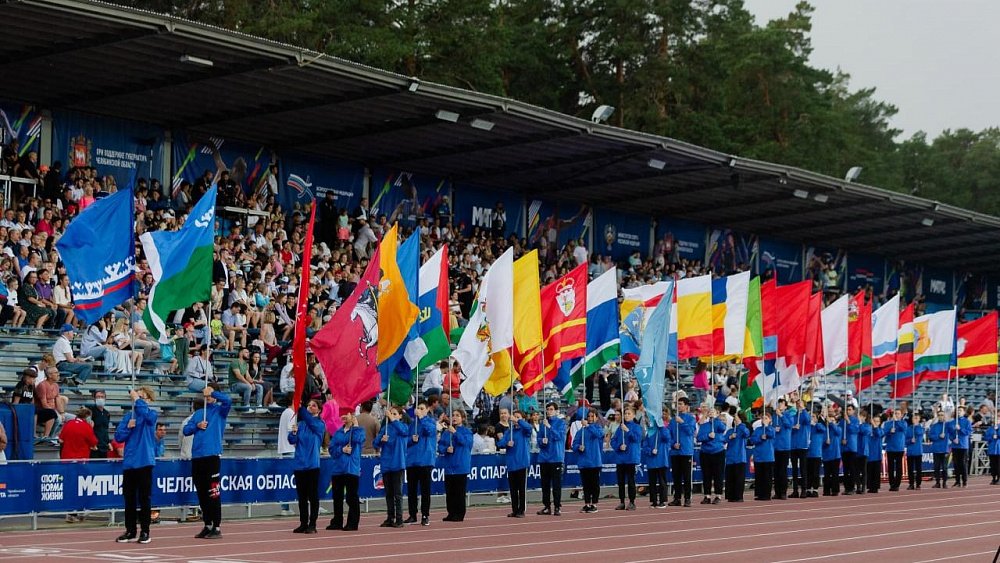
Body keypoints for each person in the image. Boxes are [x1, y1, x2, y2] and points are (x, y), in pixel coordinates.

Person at [183, 384, 232, 539]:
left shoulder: (220, 410)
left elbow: (228, 401)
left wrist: (214, 392)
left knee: (213, 493)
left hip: (212, 456)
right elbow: (186, 430)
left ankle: (217, 526)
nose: (209, 396)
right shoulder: (198, 413)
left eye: (211, 393)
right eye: (207, 392)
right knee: (201, 493)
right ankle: (207, 524)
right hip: (197, 457)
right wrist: (197, 426)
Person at [115, 387, 158, 544]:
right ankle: (130, 530)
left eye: (142, 397)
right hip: (130, 463)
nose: (137, 400)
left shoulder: (151, 414)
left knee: (144, 498)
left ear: (148, 400)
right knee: (129, 498)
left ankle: (145, 531)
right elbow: (118, 437)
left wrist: (137, 399)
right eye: (137, 397)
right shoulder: (129, 417)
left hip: (144, 461)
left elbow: (148, 417)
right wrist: (128, 427)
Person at [288, 398, 325, 533]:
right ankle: (303, 523)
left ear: (319, 410)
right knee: (302, 497)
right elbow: (292, 440)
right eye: (309, 405)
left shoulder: (319, 424)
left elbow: (311, 422)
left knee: (313, 496)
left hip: (312, 465)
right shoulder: (301, 424)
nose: (310, 407)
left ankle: (312, 524)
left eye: (313, 405)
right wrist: (293, 433)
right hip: (299, 465)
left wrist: (301, 408)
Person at [327, 407, 365, 531]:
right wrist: (342, 449)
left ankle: (352, 523)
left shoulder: (359, 431)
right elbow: (331, 449)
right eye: (341, 414)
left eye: (346, 414)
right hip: (338, 468)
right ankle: (337, 521)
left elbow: (358, 440)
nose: (343, 416)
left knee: (351, 497)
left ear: (352, 415)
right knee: (337, 497)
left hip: (351, 468)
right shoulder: (338, 432)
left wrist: (356, 426)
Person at [374, 405, 407, 528]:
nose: (391, 416)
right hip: (386, 464)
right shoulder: (385, 428)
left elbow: (404, 432)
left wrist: (393, 420)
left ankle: (399, 518)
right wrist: (381, 440)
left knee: (397, 494)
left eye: (394, 414)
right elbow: (375, 443)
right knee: (388, 494)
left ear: (400, 416)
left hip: (397, 463)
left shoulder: (403, 426)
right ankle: (390, 517)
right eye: (391, 413)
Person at [404, 400, 436, 526]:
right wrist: (411, 440)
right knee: (411, 490)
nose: (419, 410)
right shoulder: (412, 424)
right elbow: (405, 441)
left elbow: (430, 431)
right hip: (412, 461)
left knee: (425, 490)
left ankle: (425, 514)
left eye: (422, 408)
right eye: (418, 408)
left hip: (425, 460)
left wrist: (422, 418)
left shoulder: (430, 422)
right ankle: (412, 514)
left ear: (427, 410)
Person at [496, 408, 532, 518]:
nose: (515, 419)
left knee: (521, 489)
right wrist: (507, 443)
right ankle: (515, 509)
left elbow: (529, 428)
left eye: (518, 417)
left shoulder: (524, 431)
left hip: (522, 462)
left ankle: (522, 510)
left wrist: (518, 421)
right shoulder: (509, 432)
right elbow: (500, 443)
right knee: (513, 489)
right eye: (514, 417)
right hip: (511, 463)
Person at [438, 409, 473, 522]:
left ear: (462, 418)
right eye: (453, 415)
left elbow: (466, 443)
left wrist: (455, 433)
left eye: (457, 415)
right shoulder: (446, 432)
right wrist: (446, 449)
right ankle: (451, 512)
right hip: (449, 466)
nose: (454, 417)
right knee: (450, 492)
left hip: (460, 466)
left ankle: (459, 513)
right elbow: (440, 446)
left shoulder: (467, 431)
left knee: (459, 492)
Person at [536, 402, 567, 516]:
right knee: (545, 484)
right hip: (544, 458)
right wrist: (542, 441)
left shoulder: (561, 423)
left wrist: (549, 427)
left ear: (556, 411)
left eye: (551, 409)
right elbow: (539, 439)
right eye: (548, 409)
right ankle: (546, 506)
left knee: (556, 484)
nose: (549, 411)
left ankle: (557, 506)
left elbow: (559, 436)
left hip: (556, 457)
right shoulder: (542, 424)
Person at [572, 407, 603, 513]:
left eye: (592, 416)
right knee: (586, 485)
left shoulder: (598, 428)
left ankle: (594, 503)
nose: (590, 418)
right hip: (584, 461)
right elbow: (574, 444)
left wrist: (588, 426)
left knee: (594, 484)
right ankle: (587, 503)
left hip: (594, 461)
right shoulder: (581, 431)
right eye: (588, 416)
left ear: (596, 418)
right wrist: (578, 447)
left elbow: (599, 435)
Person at [611, 406, 641, 511]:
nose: (626, 416)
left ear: (633, 415)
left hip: (631, 458)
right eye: (625, 414)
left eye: (629, 414)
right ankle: (622, 501)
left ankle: (632, 502)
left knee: (631, 481)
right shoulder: (620, 428)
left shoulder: (636, 427)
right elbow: (613, 440)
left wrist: (628, 431)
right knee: (621, 482)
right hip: (620, 458)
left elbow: (637, 439)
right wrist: (619, 446)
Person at [668, 397, 696, 507]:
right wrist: (673, 444)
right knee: (676, 476)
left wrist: (682, 422)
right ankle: (677, 498)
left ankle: (687, 498)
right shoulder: (673, 420)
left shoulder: (691, 418)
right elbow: (669, 435)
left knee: (687, 476)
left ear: (686, 406)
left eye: (680, 404)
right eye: (677, 404)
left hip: (686, 452)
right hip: (675, 452)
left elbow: (691, 432)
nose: (678, 406)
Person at [642, 408, 672, 508]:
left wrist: (661, 426)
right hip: (651, 461)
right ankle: (654, 500)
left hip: (661, 460)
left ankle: (662, 500)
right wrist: (650, 451)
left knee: (662, 482)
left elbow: (667, 438)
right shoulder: (649, 433)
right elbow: (645, 446)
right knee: (652, 482)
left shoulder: (663, 430)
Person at [697, 406, 727, 505]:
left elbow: (723, 428)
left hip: (718, 451)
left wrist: (716, 419)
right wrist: (708, 436)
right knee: (706, 475)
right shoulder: (704, 425)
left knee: (718, 474)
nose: (711, 413)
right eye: (710, 412)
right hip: (705, 452)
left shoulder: (719, 423)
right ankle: (707, 495)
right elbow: (699, 438)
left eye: (713, 412)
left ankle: (718, 495)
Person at [53, 323, 92, 389]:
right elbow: (70, 359)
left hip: (63, 364)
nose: (73, 333)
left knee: (86, 365)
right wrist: (80, 360)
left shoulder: (62, 341)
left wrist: (79, 360)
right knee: (88, 366)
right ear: (67, 332)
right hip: (63, 365)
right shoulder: (63, 342)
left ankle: (73, 382)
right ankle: (74, 382)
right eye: (72, 331)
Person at [724, 411, 750, 502]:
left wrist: (740, 424)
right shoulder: (730, 431)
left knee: (739, 478)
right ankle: (730, 496)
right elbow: (724, 440)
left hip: (740, 457)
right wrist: (730, 437)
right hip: (730, 457)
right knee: (730, 478)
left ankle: (739, 496)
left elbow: (747, 433)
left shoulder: (742, 430)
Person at [750, 411, 776, 501]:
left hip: (768, 456)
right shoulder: (758, 430)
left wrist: (767, 426)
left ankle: (766, 494)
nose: (763, 420)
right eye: (762, 418)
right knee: (759, 476)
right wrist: (760, 438)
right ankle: (759, 494)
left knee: (767, 477)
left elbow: (771, 435)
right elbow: (752, 440)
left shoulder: (771, 428)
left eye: (766, 418)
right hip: (758, 456)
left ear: (770, 420)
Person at [789, 398, 811, 498]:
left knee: (803, 469)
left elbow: (807, 420)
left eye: (800, 403)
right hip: (794, 445)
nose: (798, 405)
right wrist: (793, 427)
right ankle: (795, 490)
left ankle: (804, 490)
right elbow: (789, 428)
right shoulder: (793, 417)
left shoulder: (805, 415)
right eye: (797, 403)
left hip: (803, 445)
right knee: (794, 469)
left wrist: (803, 410)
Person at [818, 409, 842, 496]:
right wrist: (825, 443)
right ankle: (826, 490)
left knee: (835, 474)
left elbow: (838, 432)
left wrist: (831, 423)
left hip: (835, 455)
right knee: (827, 474)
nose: (831, 422)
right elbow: (821, 443)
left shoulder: (837, 429)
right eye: (830, 420)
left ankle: (835, 490)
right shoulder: (825, 430)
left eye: (833, 420)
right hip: (827, 455)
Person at [884, 409, 907, 491]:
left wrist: (897, 421)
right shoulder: (888, 423)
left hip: (899, 448)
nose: (896, 415)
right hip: (890, 448)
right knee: (890, 467)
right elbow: (884, 433)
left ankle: (897, 484)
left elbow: (903, 429)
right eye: (895, 413)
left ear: (901, 415)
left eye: (898, 413)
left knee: (898, 467)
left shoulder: (903, 423)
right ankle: (892, 484)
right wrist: (890, 431)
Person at [948, 405, 971, 487]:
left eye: (960, 410)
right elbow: (949, 433)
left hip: (963, 445)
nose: (958, 412)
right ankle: (957, 481)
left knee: (963, 463)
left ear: (964, 412)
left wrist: (960, 429)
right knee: (956, 464)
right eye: (957, 410)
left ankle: (964, 481)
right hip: (955, 445)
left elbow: (968, 432)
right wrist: (953, 439)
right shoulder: (952, 422)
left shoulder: (967, 422)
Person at [928, 409, 950, 488]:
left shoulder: (947, 425)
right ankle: (937, 482)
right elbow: (930, 437)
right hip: (936, 449)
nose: (941, 416)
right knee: (936, 467)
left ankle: (944, 482)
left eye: (942, 415)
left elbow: (953, 431)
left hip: (944, 449)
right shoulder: (934, 426)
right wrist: (938, 436)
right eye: (939, 415)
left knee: (944, 467)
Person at [841, 405, 859, 495]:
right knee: (845, 469)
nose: (848, 411)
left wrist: (848, 421)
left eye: (849, 409)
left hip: (852, 447)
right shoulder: (842, 421)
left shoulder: (855, 420)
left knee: (852, 468)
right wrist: (841, 440)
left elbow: (855, 430)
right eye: (847, 409)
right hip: (844, 448)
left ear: (853, 411)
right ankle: (846, 487)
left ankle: (852, 487)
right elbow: (840, 432)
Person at [905, 412, 925, 489]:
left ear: (919, 419)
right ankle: (911, 483)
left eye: (916, 418)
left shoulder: (921, 428)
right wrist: (910, 440)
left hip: (918, 451)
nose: (915, 419)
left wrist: (916, 426)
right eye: (914, 418)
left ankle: (918, 484)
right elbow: (905, 441)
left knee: (918, 469)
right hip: (910, 451)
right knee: (910, 469)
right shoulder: (908, 428)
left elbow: (919, 433)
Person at [865, 414, 884, 493]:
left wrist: (875, 427)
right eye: (874, 421)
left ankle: (875, 487)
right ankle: (870, 486)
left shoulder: (880, 430)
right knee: (869, 471)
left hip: (877, 454)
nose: (875, 422)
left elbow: (879, 434)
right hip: (869, 453)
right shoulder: (868, 429)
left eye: (877, 421)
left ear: (879, 422)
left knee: (876, 471)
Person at [984, 421, 1000, 486]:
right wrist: (991, 437)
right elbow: (985, 437)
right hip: (991, 449)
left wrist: (997, 431)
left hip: (998, 449)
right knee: (993, 465)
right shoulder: (990, 428)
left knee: (998, 465)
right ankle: (993, 478)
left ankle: (999, 478)